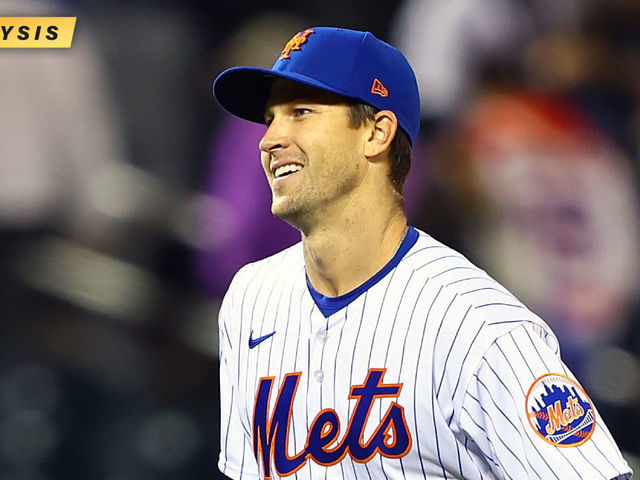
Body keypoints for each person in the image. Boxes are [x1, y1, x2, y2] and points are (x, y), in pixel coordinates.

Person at [212, 27, 632, 480]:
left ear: (377, 133)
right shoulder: (250, 299)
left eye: (300, 112)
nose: (269, 140)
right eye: (271, 118)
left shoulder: (479, 326)